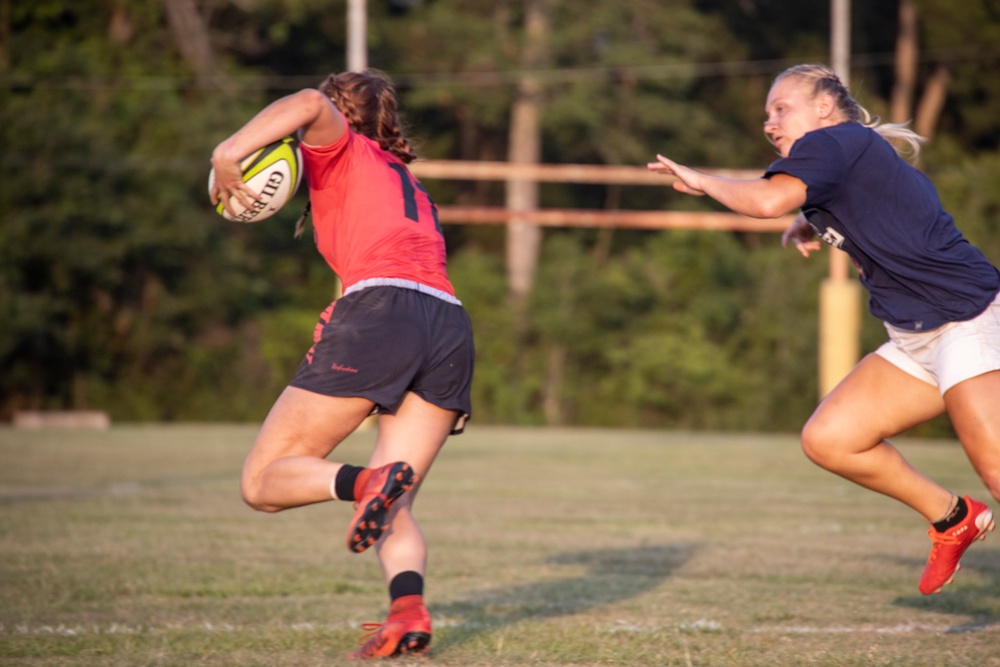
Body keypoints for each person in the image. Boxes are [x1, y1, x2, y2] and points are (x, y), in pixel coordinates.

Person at [648, 63, 998, 595]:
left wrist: (702, 180)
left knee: (996, 471)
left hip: (967, 317)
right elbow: (860, 199)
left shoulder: (835, 142)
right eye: (767, 114)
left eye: (781, 109)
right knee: (831, 439)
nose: (770, 122)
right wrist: (810, 218)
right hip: (916, 336)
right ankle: (953, 518)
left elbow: (766, 201)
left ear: (824, 108)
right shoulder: (840, 155)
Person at [210, 68, 474, 658]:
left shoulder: (339, 146)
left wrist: (229, 154)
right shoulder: (404, 176)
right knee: (397, 501)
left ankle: (363, 482)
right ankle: (407, 611)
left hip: (383, 312)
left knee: (262, 482)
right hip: (450, 324)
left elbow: (304, 101)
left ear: (340, 113)